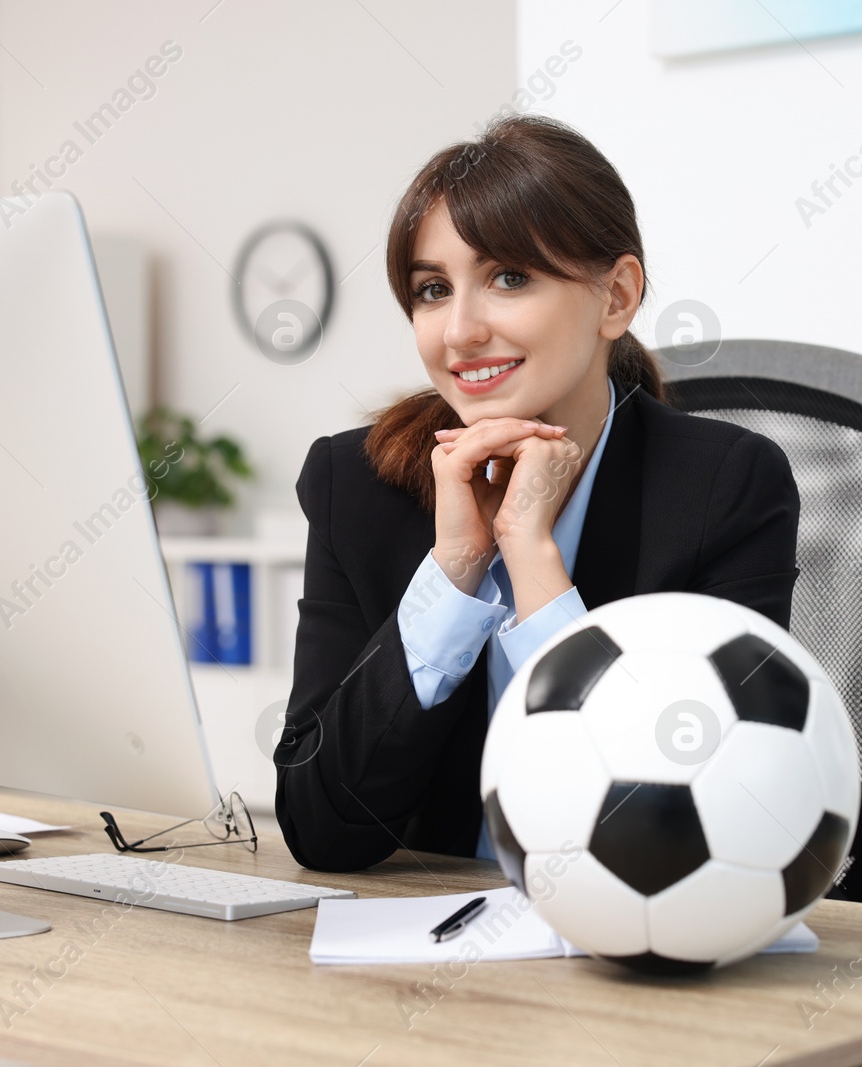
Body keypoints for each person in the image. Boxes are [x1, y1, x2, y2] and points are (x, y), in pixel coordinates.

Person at [274, 114, 800, 872]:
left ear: (616, 296)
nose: (458, 331)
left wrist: (531, 554)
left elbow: (697, 825)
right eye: (431, 289)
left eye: (509, 278)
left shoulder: (725, 488)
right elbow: (322, 828)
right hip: (425, 953)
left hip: (636, 953)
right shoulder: (356, 485)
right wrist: (453, 573)